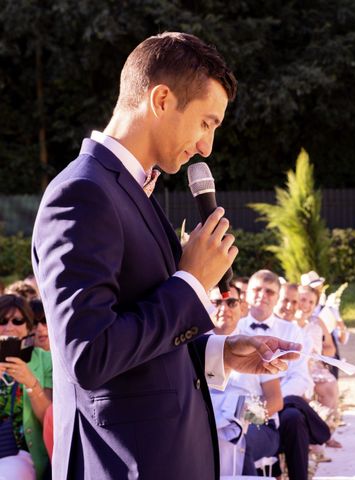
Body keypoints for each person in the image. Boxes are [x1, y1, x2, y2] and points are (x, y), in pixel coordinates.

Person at [31, 32, 299, 479]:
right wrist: (192, 283)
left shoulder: (130, 191)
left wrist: (219, 353)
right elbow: (90, 354)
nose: (207, 146)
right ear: (160, 99)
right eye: (206, 123)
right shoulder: (82, 193)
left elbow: (142, 336)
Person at [238, 270, 330, 480]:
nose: (263, 295)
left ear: (277, 297)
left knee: (293, 418)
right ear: (247, 295)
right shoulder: (235, 328)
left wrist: (274, 399)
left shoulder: (290, 331)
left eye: (269, 292)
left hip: (281, 403)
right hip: (243, 404)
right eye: (257, 289)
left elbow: (300, 378)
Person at [209, 286, 282, 476]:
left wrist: (242, 417)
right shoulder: (194, 347)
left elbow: (275, 401)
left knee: (239, 441)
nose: (223, 308)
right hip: (210, 425)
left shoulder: (256, 344)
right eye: (216, 302)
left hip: (258, 425)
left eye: (231, 302)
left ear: (242, 307)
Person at [0, 295, 52, 480]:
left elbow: (50, 419)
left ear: (28, 327)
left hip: (20, 453)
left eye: (18, 320)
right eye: (2, 320)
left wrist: (31, 383)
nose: (9, 326)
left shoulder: (44, 360)